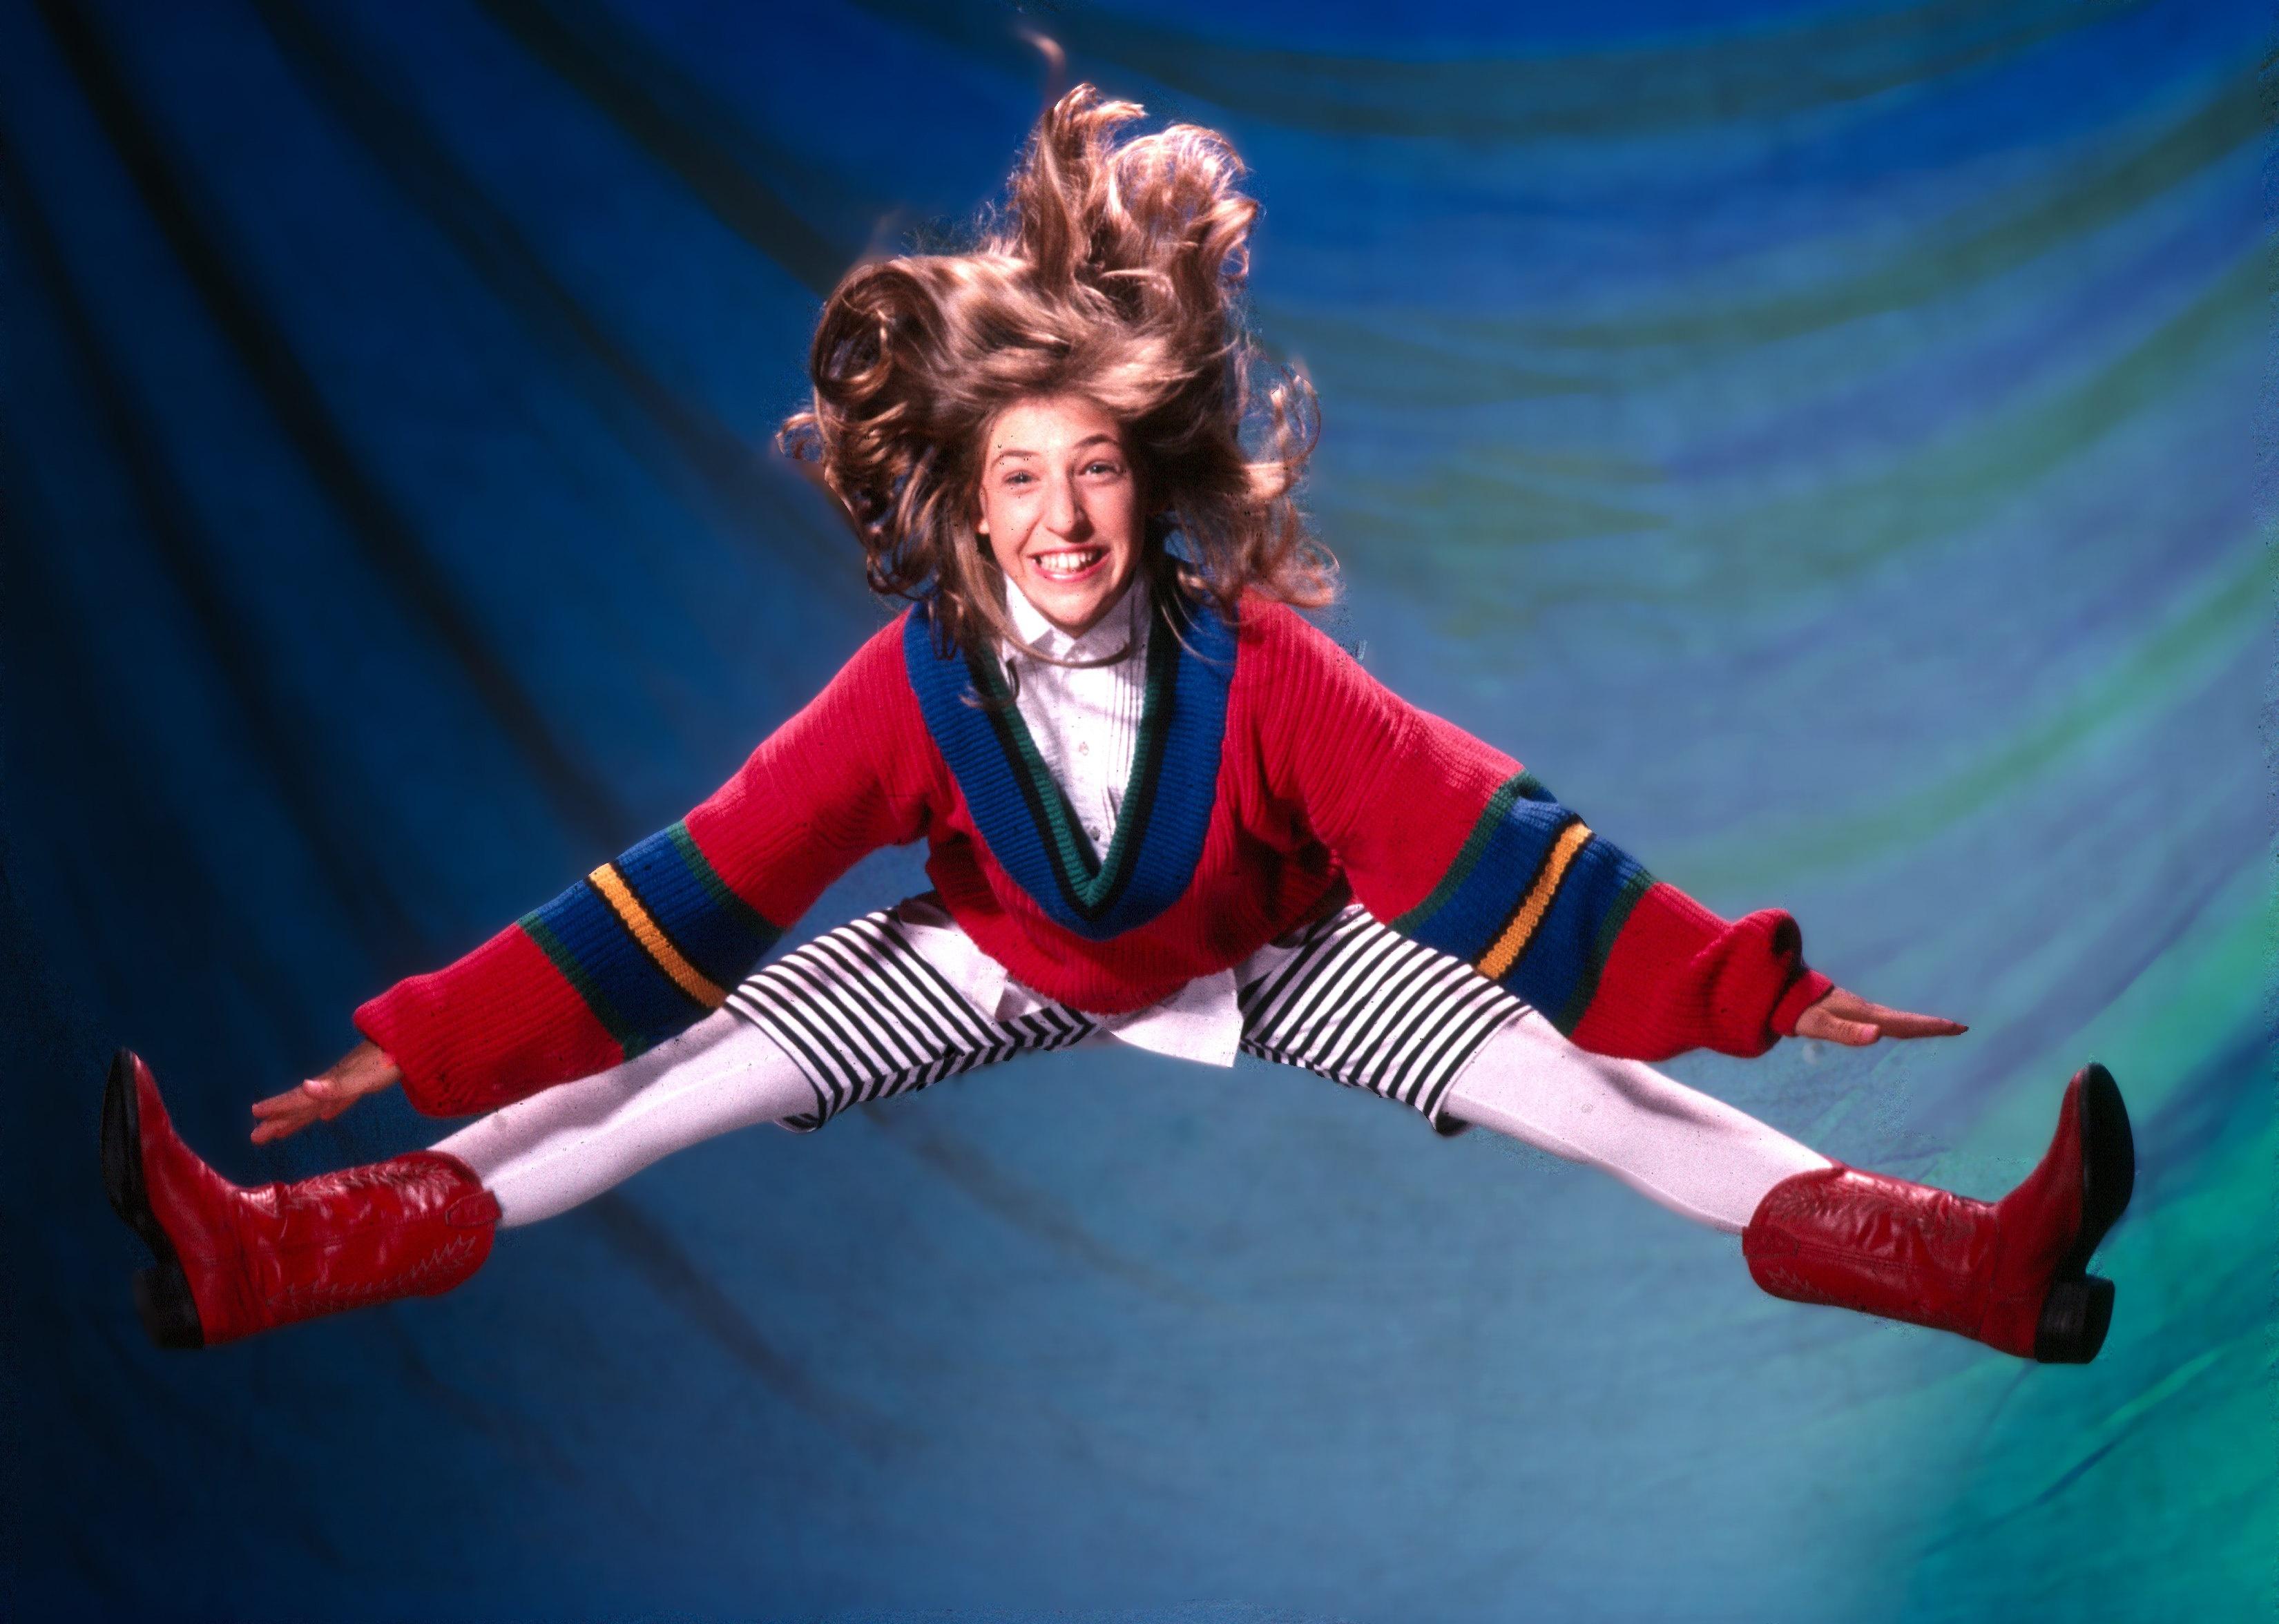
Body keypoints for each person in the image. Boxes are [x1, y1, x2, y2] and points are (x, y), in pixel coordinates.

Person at [101, 86, 2132, 1366]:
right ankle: (265, 1258)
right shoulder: (912, 691)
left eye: (1093, 477)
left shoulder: (1259, 671)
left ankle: (1972, 1264)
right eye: (1018, 488)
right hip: (988, 958)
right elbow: (700, 886)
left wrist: (1755, 988)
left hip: (1267, 956)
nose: (1061, 523)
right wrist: (432, 1037)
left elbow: (1483, 846)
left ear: (1147, 482)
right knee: (635, 1104)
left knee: (1600, 1108)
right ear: (962, 509)